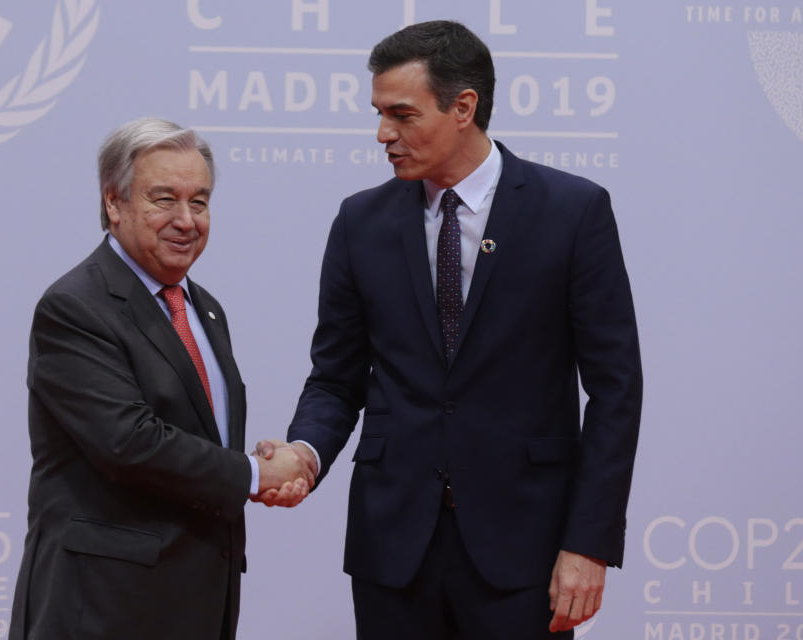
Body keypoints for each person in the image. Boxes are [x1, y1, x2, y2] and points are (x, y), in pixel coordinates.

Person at [255, 20, 643, 639]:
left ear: (463, 107)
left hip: (525, 548)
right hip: (393, 549)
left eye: (402, 115)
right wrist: (304, 452)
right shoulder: (361, 221)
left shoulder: (572, 211)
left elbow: (616, 390)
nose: (384, 134)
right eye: (380, 114)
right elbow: (335, 377)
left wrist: (589, 543)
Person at [8, 117, 312, 640]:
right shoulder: (76, 307)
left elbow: (195, 435)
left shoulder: (205, 309)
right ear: (114, 202)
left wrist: (258, 465)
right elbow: (129, 442)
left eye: (200, 201)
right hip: (103, 607)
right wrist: (255, 474)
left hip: (196, 600)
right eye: (164, 199)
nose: (186, 220)